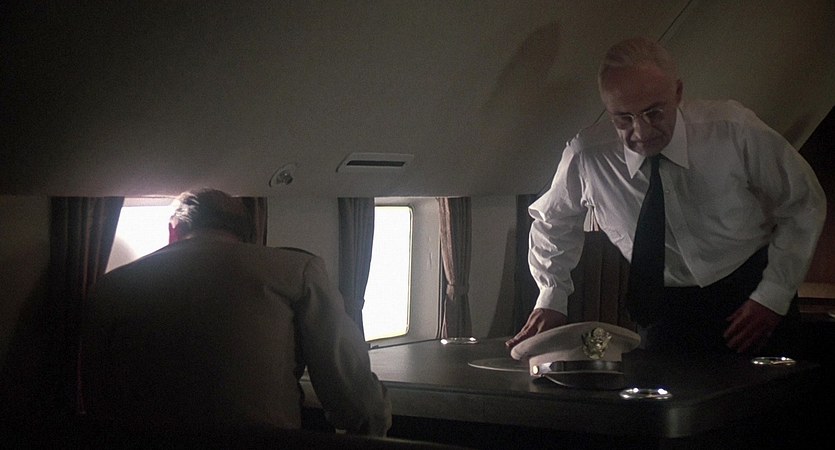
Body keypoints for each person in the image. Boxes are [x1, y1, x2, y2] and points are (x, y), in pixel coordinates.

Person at [506, 37, 826, 355]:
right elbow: (553, 221)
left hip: (752, 294)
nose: (641, 132)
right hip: (663, 309)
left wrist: (774, 293)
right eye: (623, 118)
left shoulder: (732, 130)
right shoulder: (588, 156)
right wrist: (552, 297)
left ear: (678, 92)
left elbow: (803, 203)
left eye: (654, 113)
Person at [79, 188, 391, 436]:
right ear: (249, 233)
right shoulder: (297, 270)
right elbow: (355, 401)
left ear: (174, 231)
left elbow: (95, 398)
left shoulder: (110, 286)